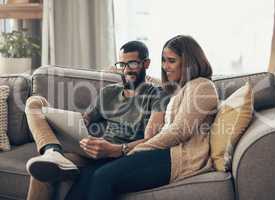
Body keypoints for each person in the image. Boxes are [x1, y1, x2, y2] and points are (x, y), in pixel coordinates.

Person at [65, 35, 219, 200]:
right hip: (162, 152)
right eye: (163, 60)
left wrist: (127, 150)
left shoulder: (202, 86)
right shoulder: (180, 89)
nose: (165, 66)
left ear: (189, 62)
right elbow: (148, 83)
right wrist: (119, 70)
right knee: (88, 174)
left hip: (178, 158)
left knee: (102, 176)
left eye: (171, 61)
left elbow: (178, 132)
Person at [25, 41, 170, 200]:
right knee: (34, 103)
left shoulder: (157, 95)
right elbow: (87, 118)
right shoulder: (108, 92)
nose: (127, 70)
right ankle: (52, 151)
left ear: (146, 63)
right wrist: (72, 123)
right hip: (93, 152)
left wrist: (115, 149)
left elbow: (154, 140)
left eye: (133, 63)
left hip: (123, 157)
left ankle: (54, 153)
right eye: (122, 64)